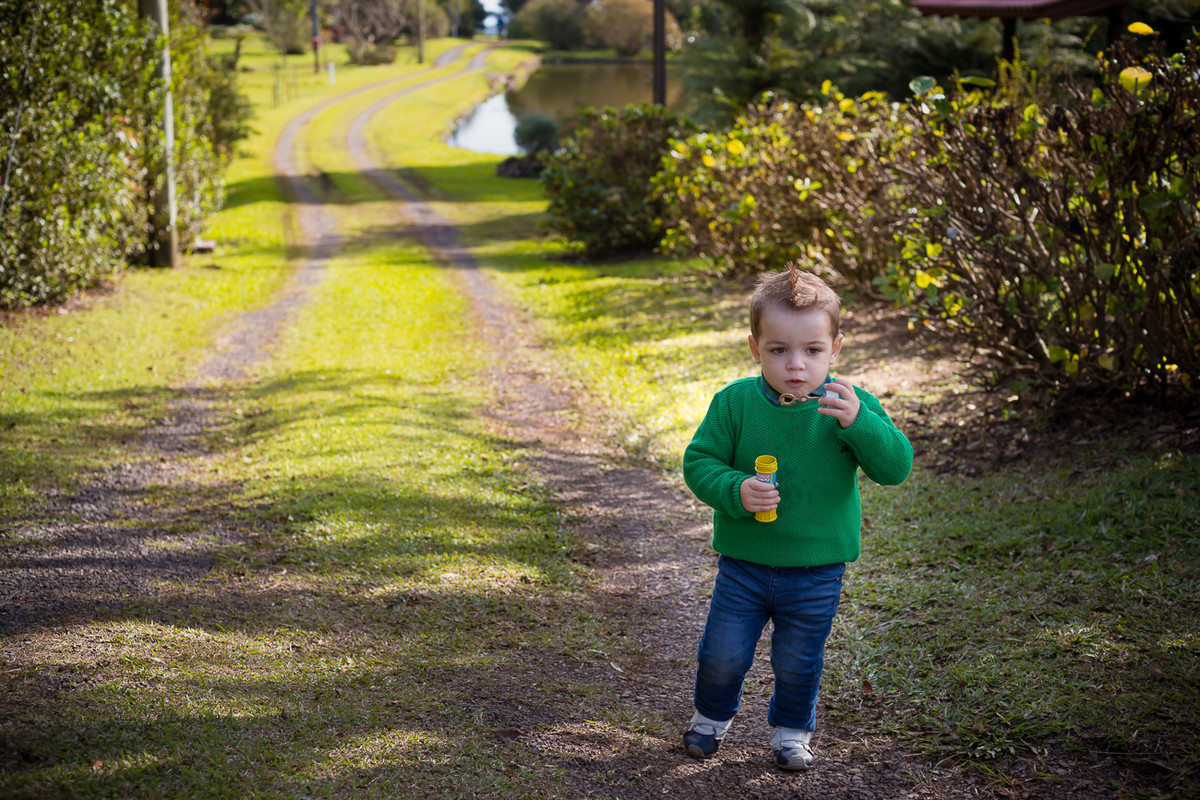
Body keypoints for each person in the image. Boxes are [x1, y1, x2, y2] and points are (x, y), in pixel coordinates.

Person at [681, 264, 913, 770]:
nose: (795, 365)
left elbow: (895, 467)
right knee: (722, 654)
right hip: (744, 564)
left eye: (812, 351)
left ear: (836, 349)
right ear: (754, 348)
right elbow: (699, 462)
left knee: (797, 661)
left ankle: (791, 732)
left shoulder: (849, 406)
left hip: (816, 571)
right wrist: (735, 489)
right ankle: (709, 720)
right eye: (778, 350)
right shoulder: (735, 404)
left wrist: (860, 425)